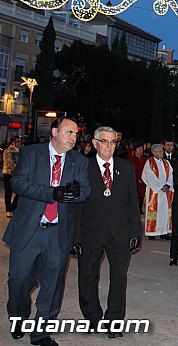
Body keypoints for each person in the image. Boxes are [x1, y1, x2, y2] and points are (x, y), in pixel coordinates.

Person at [4, 117, 90, 345]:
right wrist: (51, 193)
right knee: (19, 280)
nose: (73, 138)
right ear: (54, 131)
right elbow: (18, 183)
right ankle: (18, 317)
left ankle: (41, 331)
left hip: (58, 232)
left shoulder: (79, 161)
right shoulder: (32, 154)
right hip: (29, 230)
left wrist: (75, 194)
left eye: (76, 134)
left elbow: (85, 191)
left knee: (52, 282)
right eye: (69, 132)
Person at [75, 126, 141, 338]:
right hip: (90, 231)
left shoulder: (126, 167)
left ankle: (114, 321)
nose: (109, 146)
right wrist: (74, 236)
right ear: (94, 144)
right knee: (87, 276)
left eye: (113, 142)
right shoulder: (83, 167)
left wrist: (135, 232)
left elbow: (133, 202)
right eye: (104, 141)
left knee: (119, 277)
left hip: (119, 232)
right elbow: (76, 205)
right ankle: (93, 318)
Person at [142, 144, 174, 240]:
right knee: (154, 212)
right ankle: (152, 233)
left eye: (162, 151)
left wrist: (167, 185)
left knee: (164, 212)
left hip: (165, 192)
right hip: (154, 192)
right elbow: (149, 176)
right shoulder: (149, 163)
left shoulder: (166, 163)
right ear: (153, 152)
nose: (162, 153)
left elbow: (171, 175)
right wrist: (160, 186)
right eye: (159, 151)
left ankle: (164, 232)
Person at [3, 136, 21, 218]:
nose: (19, 143)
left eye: (20, 141)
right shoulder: (8, 151)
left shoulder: (21, 150)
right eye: (17, 141)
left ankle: (13, 207)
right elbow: (9, 163)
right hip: (8, 173)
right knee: (8, 192)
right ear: (13, 142)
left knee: (20, 192)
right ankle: (8, 210)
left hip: (18, 174)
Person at [128, 142, 147, 214]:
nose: (141, 151)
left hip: (143, 180)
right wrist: (137, 179)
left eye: (142, 149)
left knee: (141, 196)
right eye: (139, 149)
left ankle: (139, 209)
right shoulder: (131, 159)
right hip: (134, 180)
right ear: (135, 150)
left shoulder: (144, 159)